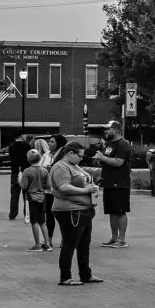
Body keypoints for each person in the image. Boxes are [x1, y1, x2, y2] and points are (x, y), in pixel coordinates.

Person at [50, 141, 103, 286]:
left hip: (83, 209)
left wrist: (91, 186)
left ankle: (86, 274)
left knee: (84, 244)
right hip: (70, 210)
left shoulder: (73, 165)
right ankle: (65, 277)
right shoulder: (60, 167)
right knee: (70, 243)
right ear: (70, 153)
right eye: (79, 155)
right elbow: (63, 187)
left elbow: (83, 178)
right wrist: (86, 191)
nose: (81, 158)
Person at [93, 121, 131, 249]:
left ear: (115, 129)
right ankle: (114, 238)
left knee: (120, 211)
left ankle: (122, 239)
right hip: (108, 182)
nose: (106, 132)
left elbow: (119, 162)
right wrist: (100, 160)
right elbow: (108, 160)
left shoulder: (123, 144)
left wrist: (102, 158)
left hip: (120, 183)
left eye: (108, 129)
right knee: (111, 211)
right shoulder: (109, 144)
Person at [19, 149, 52, 252]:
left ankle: (37, 245)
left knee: (34, 222)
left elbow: (24, 186)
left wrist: (19, 179)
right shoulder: (44, 170)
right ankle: (47, 244)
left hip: (31, 198)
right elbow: (48, 186)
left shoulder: (27, 171)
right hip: (42, 197)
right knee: (43, 221)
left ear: (28, 159)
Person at [42, 135, 66, 244]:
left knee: (61, 216)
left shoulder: (63, 156)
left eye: (52, 142)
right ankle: (49, 240)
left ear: (58, 144)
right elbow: (40, 167)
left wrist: (51, 169)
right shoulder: (46, 155)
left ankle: (64, 240)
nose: (49, 144)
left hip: (58, 190)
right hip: (47, 190)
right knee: (49, 216)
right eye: (49, 141)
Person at [8, 131, 32, 221]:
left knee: (14, 194)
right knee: (26, 193)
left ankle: (12, 214)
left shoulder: (11, 146)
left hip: (14, 172)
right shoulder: (27, 146)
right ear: (21, 135)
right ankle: (27, 213)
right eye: (25, 135)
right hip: (25, 172)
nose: (26, 136)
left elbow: (11, 158)